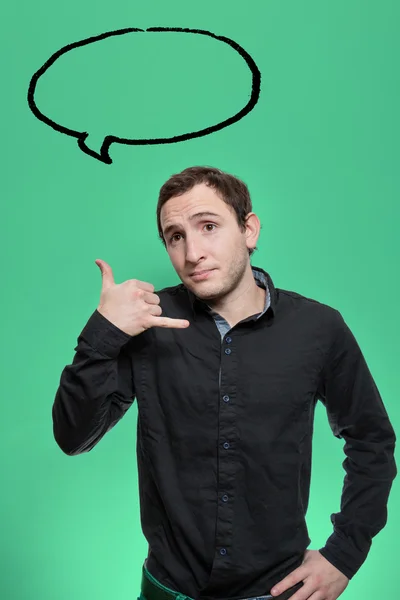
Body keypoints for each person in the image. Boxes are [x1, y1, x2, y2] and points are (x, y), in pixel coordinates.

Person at [52, 166, 397, 600]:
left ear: (248, 230)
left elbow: (371, 442)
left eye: (208, 227)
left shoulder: (319, 329)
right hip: (168, 590)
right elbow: (73, 436)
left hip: (278, 591)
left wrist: (345, 554)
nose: (192, 252)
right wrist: (103, 333)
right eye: (175, 236)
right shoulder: (147, 326)